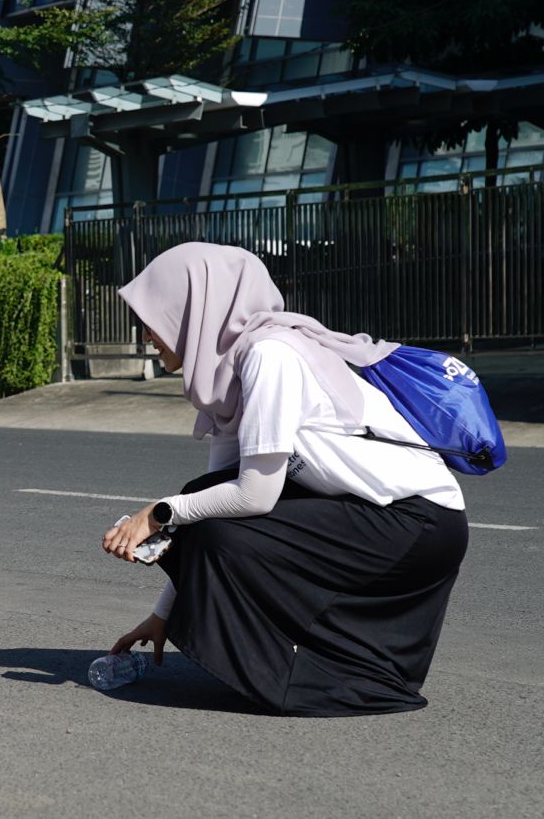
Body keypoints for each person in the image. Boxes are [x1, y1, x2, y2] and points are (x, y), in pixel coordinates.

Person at [104, 243, 469, 716]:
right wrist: (162, 616)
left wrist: (157, 514)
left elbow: (256, 494)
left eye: (153, 317)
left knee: (198, 513)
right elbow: (216, 493)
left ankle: (301, 675)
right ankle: (314, 661)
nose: (147, 334)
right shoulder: (231, 374)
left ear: (191, 312)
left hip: (417, 525)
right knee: (201, 503)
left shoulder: (270, 356)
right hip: (380, 518)